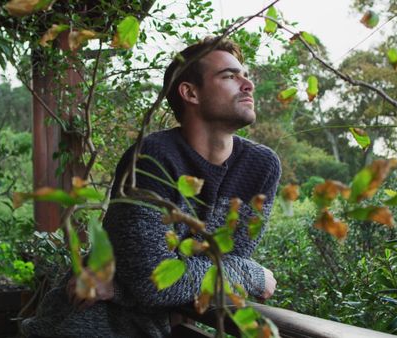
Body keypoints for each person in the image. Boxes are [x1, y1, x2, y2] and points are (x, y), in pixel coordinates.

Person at [21, 36, 280, 338]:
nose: (247, 84)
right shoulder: (153, 157)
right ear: (190, 93)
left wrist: (121, 288)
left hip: (158, 324)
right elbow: (158, 281)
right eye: (229, 76)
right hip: (89, 322)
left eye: (245, 76)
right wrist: (251, 274)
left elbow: (222, 262)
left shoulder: (260, 167)